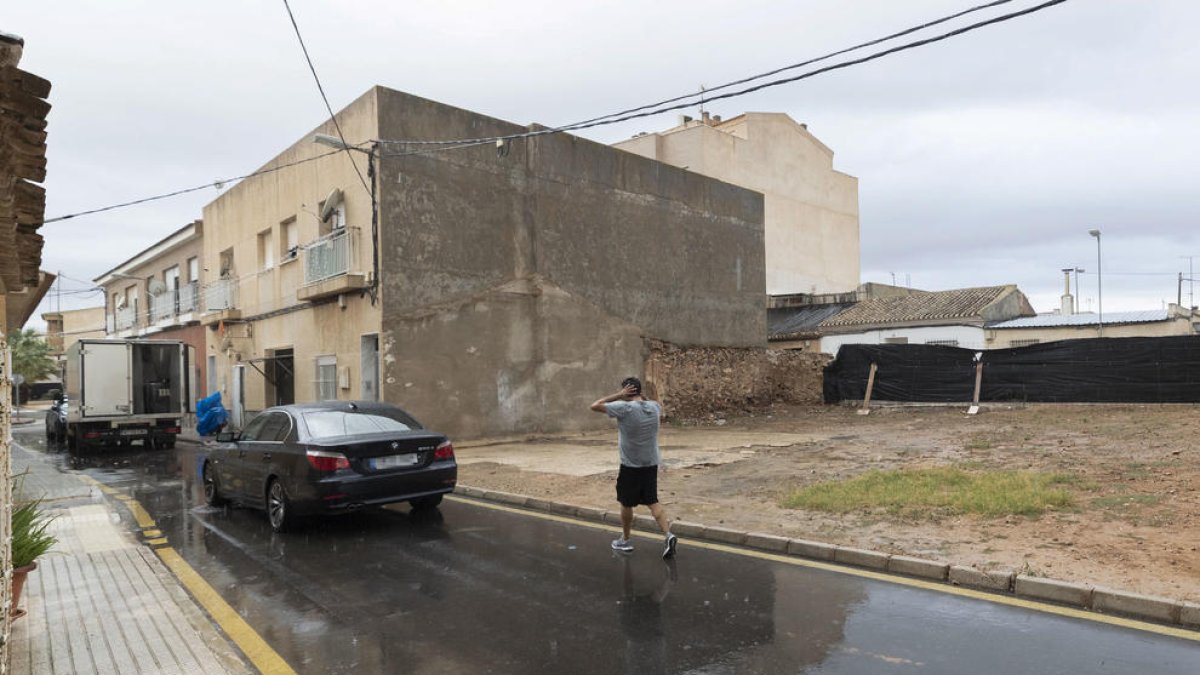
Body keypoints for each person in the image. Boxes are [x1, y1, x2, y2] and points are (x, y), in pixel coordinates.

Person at [590, 377, 678, 558]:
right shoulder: (654, 407)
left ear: (626, 391)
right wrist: (639, 397)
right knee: (652, 501)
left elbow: (595, 405)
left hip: (631, 465)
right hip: (651, 463)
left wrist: (618, 395)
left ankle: (625, 540)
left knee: (626, 502)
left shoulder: (624, 408)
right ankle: (668, 534)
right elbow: (646, 403)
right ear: (640, 391)